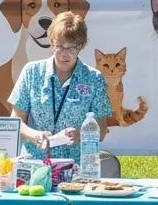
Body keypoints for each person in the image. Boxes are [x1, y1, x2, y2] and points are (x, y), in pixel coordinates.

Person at [9, 12, 112, 161]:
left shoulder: (94, 78)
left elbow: (101, 130)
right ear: (51, 43)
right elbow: (16, 121)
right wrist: (34, 135)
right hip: (34, 164)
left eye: (72, 48)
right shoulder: (32, 72)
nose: (65, 54)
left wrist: (81, 136)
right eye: (60, 47)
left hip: (76, 168)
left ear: (82, 46)